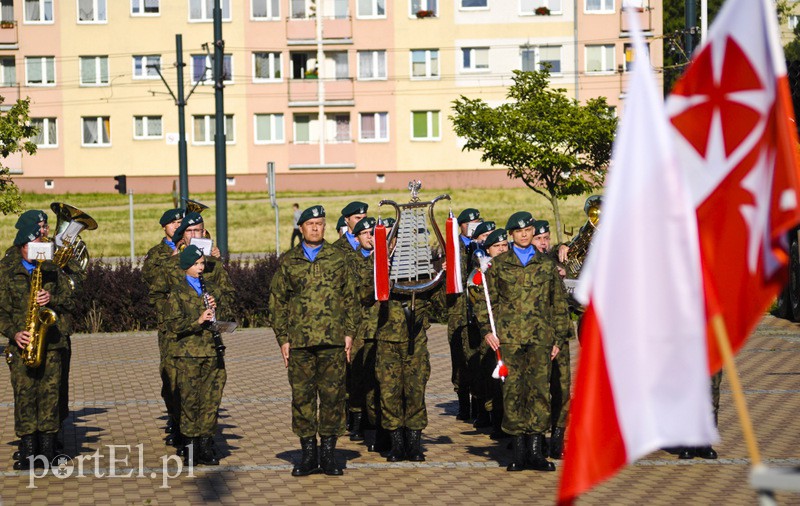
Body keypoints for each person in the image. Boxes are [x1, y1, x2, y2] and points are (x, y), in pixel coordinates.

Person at [475, 211, 571, 472]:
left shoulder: (546, 265)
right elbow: (486, 301)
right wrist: (487, 329)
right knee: (514, 393)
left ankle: (537, 452)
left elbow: (559, 304)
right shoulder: (500, 265)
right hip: (510, 340)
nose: (525, 234)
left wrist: (559, 339)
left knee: (540, 393)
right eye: (519, 231)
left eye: (528, 229)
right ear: (512, 235)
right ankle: (518, 452)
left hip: (541, 339)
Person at [269, 205, 355, 477]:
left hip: (332, 342)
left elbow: (351, 299)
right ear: (301, 228)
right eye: (310, 224)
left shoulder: (338, 258)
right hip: (300, 344)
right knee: (303, 399)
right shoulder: (289, 261)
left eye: (320, 223)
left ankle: (328, 456)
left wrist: (350, 333)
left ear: (325, 226)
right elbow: (277, 302)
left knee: (332, 398)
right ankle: (307, 456)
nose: (316, 228)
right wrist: (282, 338)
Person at [0, 224, 75, 469]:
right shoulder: (8, 273)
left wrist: (52, 299)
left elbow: (72, 301)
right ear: (23, 247)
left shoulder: (52, 270)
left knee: (50, 397)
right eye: (35, 246)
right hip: (22, 345)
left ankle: (48, 450)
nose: (40, 250)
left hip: (51, 345)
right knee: (24, 397)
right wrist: (13, 332)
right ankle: (29, 451)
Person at [159, 245, 228, 466]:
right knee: (189, 401)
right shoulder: (177, 293)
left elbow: (228, 314)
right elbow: (173, 325)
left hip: (211, 352)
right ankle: (190, 448)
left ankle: (206, 447)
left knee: (210, 401)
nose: (201, 268)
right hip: (187, 355)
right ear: (186, 266)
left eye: (202, 264)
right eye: (196, 264)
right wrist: (198, 321)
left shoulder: (211, 290)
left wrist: (218, 311)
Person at [142, 207, 185, 440]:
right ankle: (174, 416)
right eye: (173, 223)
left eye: (181, 222)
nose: (177, 226)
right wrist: (175, 257)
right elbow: (152, 281)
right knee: (170, 373)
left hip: (194, 321)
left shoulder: (194, 247)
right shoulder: (157, 253)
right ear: (164, 227)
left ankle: (187, 423)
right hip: (169, 322)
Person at [531, 220, 570, 459]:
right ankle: (531, 439)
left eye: (546, 238)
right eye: (539, 238)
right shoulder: (525, 265)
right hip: (535, 336)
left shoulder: (556, 261)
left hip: (559, 336)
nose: (544, 243)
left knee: (561, 389)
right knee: (535, 390)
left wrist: (564, 246)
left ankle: (557, 440)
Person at [467, 228, 509, 440]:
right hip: (493, 333)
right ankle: (496, 420)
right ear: (488, 250)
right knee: (494, 380)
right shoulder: (482, 274)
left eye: (504, 246)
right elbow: (478, 303)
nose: (502, 250)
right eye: (497, 247)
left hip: (514, 333)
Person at [447, 208, 482, 422]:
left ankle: (479, 406)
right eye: (470, 223)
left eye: (477, 222)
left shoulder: (481, 245)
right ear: (461, 226)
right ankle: (463, 405)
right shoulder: (453, 246)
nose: (474, 226)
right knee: (459, 360)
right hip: (458, 312)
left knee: (477, 358)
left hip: (477, 312)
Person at [348, 217, 381, 447]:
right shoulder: (350, 262)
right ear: (357, 237)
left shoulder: (387, 259)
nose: (370, 236)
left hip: (383, 328)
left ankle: (377, 426)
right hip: (359, 327)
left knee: (380, 380)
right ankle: (359, 423)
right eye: (365, 233)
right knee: (358, 378)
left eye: (373, 232)